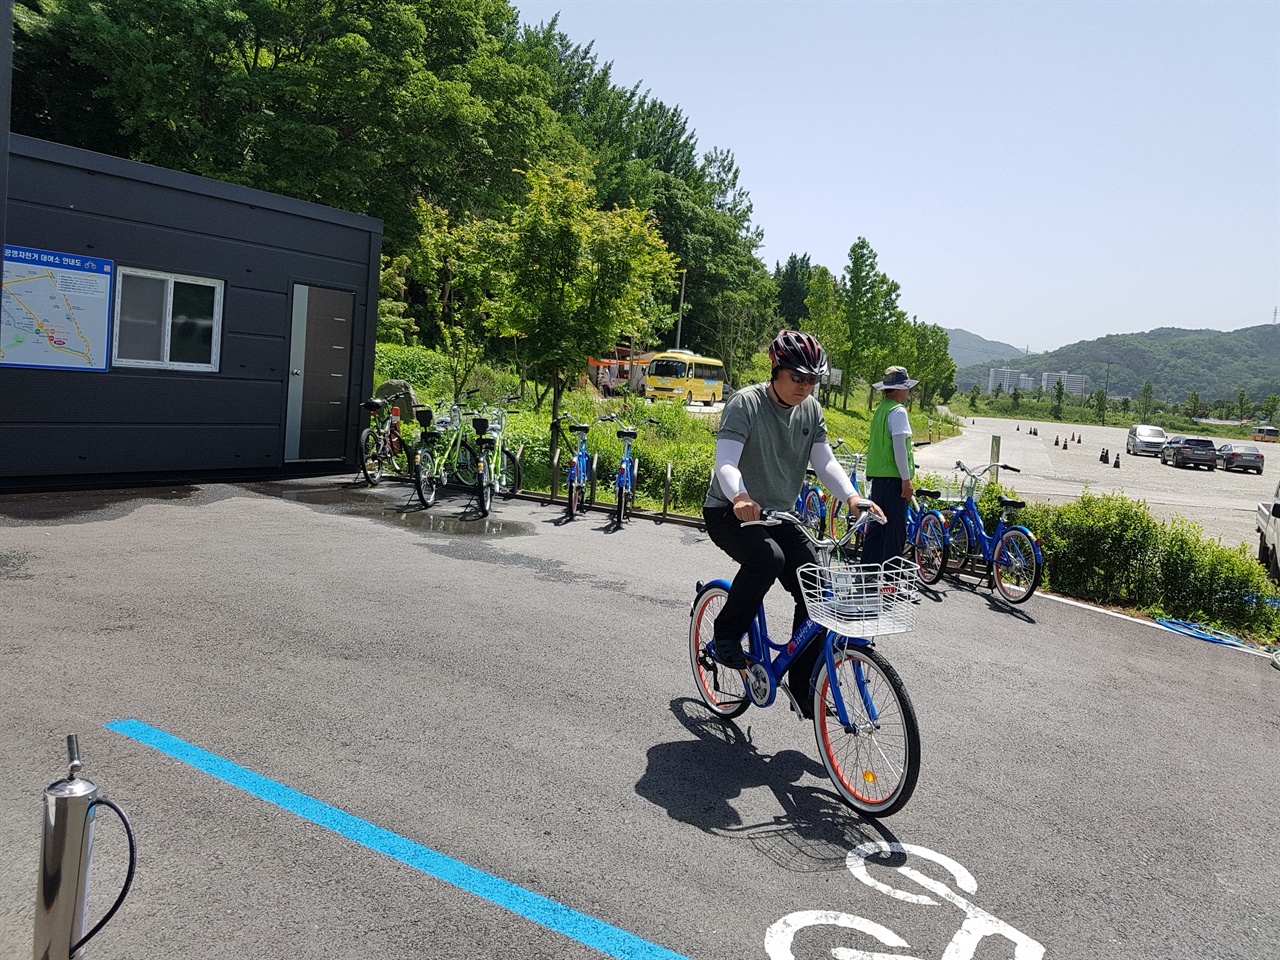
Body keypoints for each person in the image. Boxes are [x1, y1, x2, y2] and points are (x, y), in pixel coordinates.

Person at [702, 330, 884, 713]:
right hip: (729, 510)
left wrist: (852, 496)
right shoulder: (745, 404)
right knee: (768, 559)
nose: (805, 386)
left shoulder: (811, 410)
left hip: (779, 515)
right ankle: (726, 635)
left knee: (816, 587)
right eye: (798, 377)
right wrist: (739, 495)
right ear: (776, 369)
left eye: (812, 379)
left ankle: (804, 686)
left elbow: (826, 462)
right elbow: (726, 463)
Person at [860, 365, 918, 568]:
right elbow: (900, 448)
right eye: (906, 387)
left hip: (878, 478)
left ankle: (867, 573)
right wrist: (906, 478)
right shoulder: (898, 411)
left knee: (877, 527)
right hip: (894, 479)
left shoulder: (881, 410)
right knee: (895, 531)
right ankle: (891, 579)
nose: (908, 392)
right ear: (899, 389)